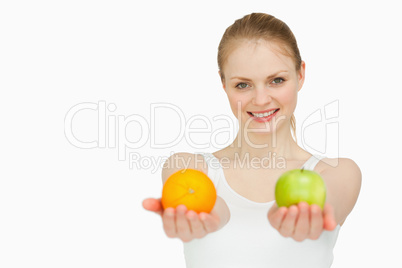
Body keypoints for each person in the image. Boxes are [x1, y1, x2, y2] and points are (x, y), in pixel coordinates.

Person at [143, 12, 361, 268]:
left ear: (300, 75)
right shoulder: (189, 167)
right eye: (243, 85)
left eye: (276, 80)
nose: (260, 100)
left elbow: (330, 199)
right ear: (223, 84)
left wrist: (311, 212)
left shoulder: (339, 172)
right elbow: (216, 208)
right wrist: (206, 215)